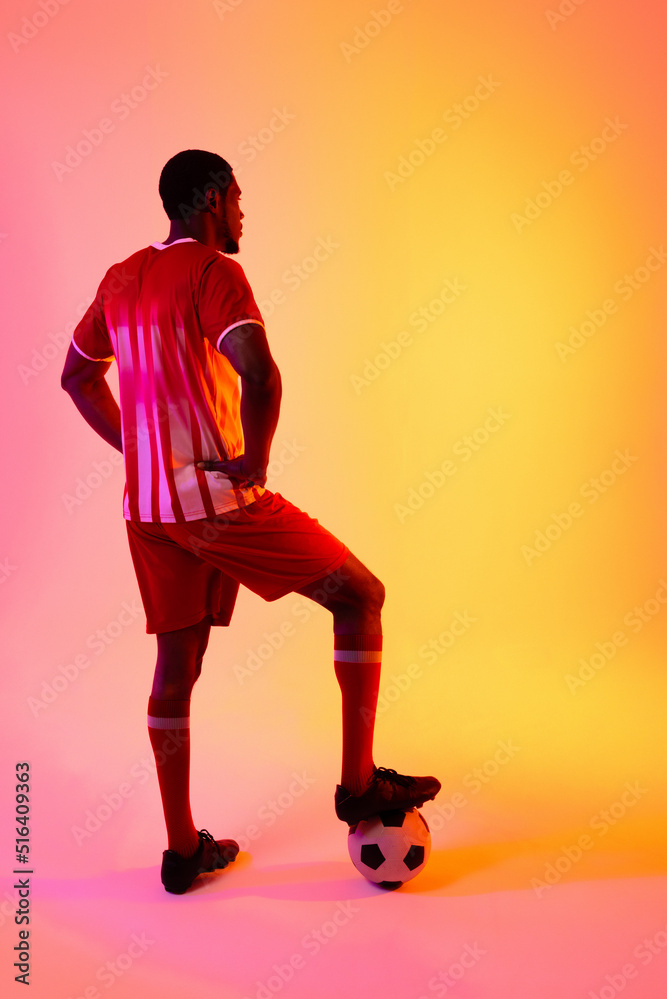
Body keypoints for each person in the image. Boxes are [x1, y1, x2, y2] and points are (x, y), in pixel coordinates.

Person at [61, 149, 440, 894]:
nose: (241, 212)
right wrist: (256, 459)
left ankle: (181, 851)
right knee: (360, 597)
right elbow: (259, 370)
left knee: (176, 672)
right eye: (235, 198)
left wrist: (136, 449)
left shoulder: (120, 276)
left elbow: (76, 375)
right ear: (206, 199)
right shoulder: (212, 271)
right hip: (213, 506)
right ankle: (358, 784)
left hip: (148, 512)